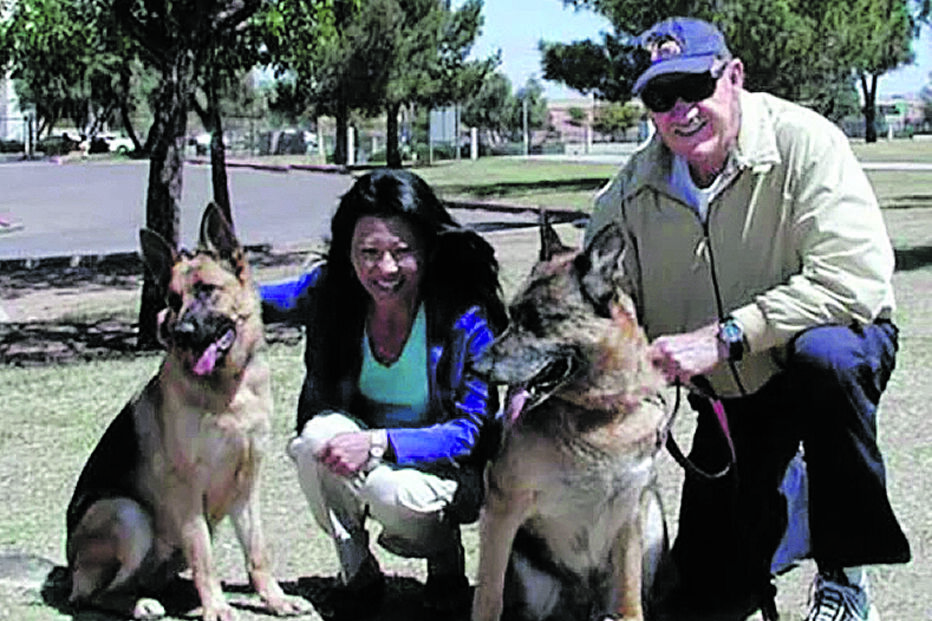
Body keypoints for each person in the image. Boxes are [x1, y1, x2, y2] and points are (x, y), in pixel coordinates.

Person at [585, 17, 910, 621]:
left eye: (695, 87)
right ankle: (778, 507)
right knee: (703, 599)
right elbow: (595, 303)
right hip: (731, 397)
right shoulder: (629, 194)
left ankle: (843, 574)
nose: (682, 110)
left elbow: (855, 281)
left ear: (733, 76)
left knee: (829, 361)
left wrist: (729, 334)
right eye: (661, 96)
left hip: (806, 358)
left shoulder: (804, 142)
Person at [261, 168, 507, 619]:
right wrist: (188, 302)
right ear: (348, 252)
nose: (385, 268)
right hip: (371, 457)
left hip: (446, 470)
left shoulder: (464, 316)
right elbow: (248, 299)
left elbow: (469, 431)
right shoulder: (332, 293)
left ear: (429, 249)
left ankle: (446, 564)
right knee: (315, 441)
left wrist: (378, 442)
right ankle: (357, 577)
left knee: (388, 490)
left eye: (402, 251)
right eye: (368, 252)